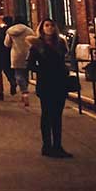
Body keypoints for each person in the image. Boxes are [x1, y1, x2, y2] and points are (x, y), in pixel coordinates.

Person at [27, 19, 72, 158]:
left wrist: (64, 69)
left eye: (52, 25)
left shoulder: (61, 43)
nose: (50, 28)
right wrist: (43, 69)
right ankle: (47, 146)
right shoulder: (36, 45)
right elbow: (30, 64)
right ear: (41, 28)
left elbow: (64, 59)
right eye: (46, 25)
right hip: (46, 83)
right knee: (47, 115)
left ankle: (57, 146)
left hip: (59, 82)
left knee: (57, 115)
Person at [5, 19, 34, 106]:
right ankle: (25, 91)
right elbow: (34, 41)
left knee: (18, 74)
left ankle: (24, 92)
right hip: (27, 54)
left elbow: (7, 44)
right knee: (26, 73)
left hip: (16, 55)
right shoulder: (29, 30)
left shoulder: (10, 31)